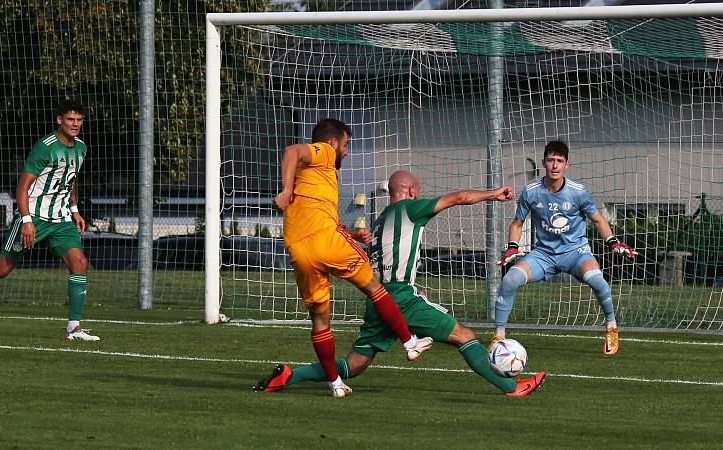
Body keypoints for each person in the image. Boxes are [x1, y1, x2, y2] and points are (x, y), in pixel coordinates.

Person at [255, 170, 546, 397]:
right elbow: (457, 197)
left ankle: (290, 376)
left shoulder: (381, 219)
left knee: (354, 365)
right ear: (408, 191)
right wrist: (493, 194)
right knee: (464, 335)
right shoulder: (411, 208)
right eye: (417, 190)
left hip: (378, 299)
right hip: (399, 298)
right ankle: (511, 387)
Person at [271, 119, 433, 398]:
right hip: (325, 241)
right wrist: (285, 191)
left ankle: (335, 383)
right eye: (345, 145)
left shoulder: (312, 177)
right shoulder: (321, 151)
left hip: (299, 251)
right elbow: (291, 150)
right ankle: (409, 341)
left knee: (320, 320)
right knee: (375, 287)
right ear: (333, 143)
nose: (346, 152)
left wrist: (351, 235)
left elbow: (316, 215)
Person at [0, 99, 99, 342]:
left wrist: (75, 209)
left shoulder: (81, 147)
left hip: (60, 218)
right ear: (59, 120)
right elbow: (22, 187)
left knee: (79, 262)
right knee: (2, 269)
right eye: (70, 119)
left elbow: (71, 178)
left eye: (79, 120)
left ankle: (73, 329)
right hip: (33, 216)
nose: (75, 124)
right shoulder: (45, 147)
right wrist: (26, 221)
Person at [493, 140, 637, 355]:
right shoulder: (531, 192)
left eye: (559, 161)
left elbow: (598, 219)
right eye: (551, 160)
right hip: (544, 254)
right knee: (510, 279)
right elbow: (517, 223)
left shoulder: (578, 192)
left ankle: (611, 328)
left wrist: (613, 242)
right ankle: (498, 338)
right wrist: (513, 247)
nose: (554, 165)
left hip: (576, 252)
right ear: (543, 162)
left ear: (566, 164)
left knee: (598, 281)